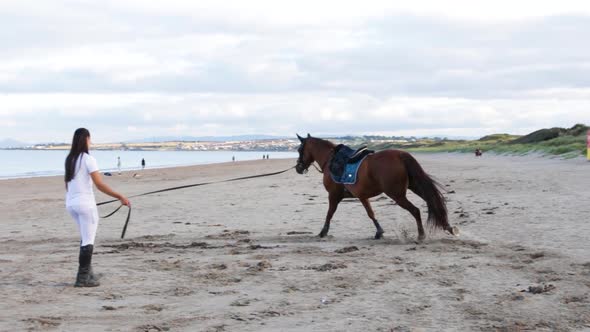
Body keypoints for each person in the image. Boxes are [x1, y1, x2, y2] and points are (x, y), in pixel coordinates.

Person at [65, 128, 130, 287]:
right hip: (85, 205)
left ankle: (89, 274)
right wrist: (120, 196)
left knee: (85, 238)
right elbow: (99, 184)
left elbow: (68, 184)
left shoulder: (70, 159)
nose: (90, 142)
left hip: (71, 204)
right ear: (86, 139)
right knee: (88, 240)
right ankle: (82, 278)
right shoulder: (88, 159)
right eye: (89, 139)